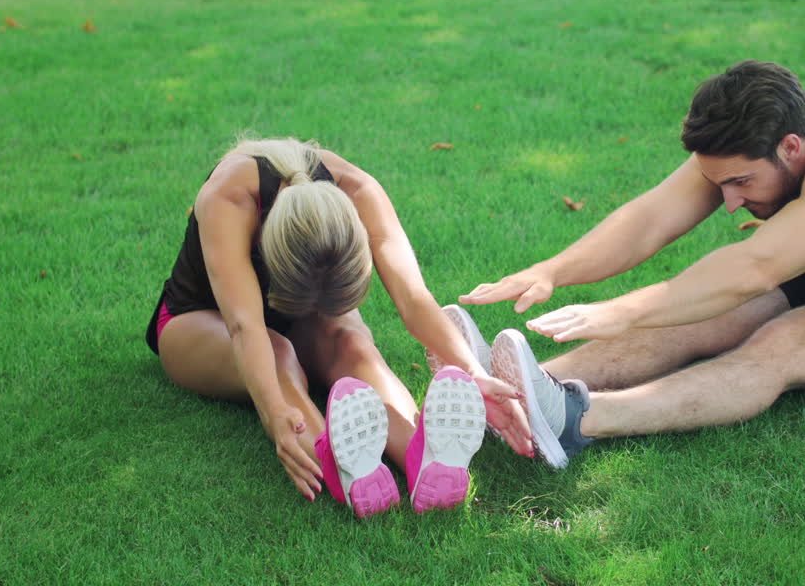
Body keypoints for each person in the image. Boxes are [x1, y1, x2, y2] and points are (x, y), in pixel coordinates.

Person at [459, 60, 805, 468]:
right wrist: (552, 270)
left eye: (741, 183)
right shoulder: (747, 144)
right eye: (721, 184)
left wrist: (623, 310)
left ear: (792, 146)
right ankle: (513, 391)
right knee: (700, 316)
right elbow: (650, 219)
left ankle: (576, 420)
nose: (731, 202)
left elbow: (756, 266)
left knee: (785, 341)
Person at [145, 137, 533, 516]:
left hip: (293, 321)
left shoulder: (358, 189)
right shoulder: (230, 199)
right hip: (196, 321)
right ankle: (336, 460)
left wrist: (473, 371)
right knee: (277, 354)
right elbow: (246, 327)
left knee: (353, 343)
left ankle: (423, 454)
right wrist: (273, 413)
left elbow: (414, 299)